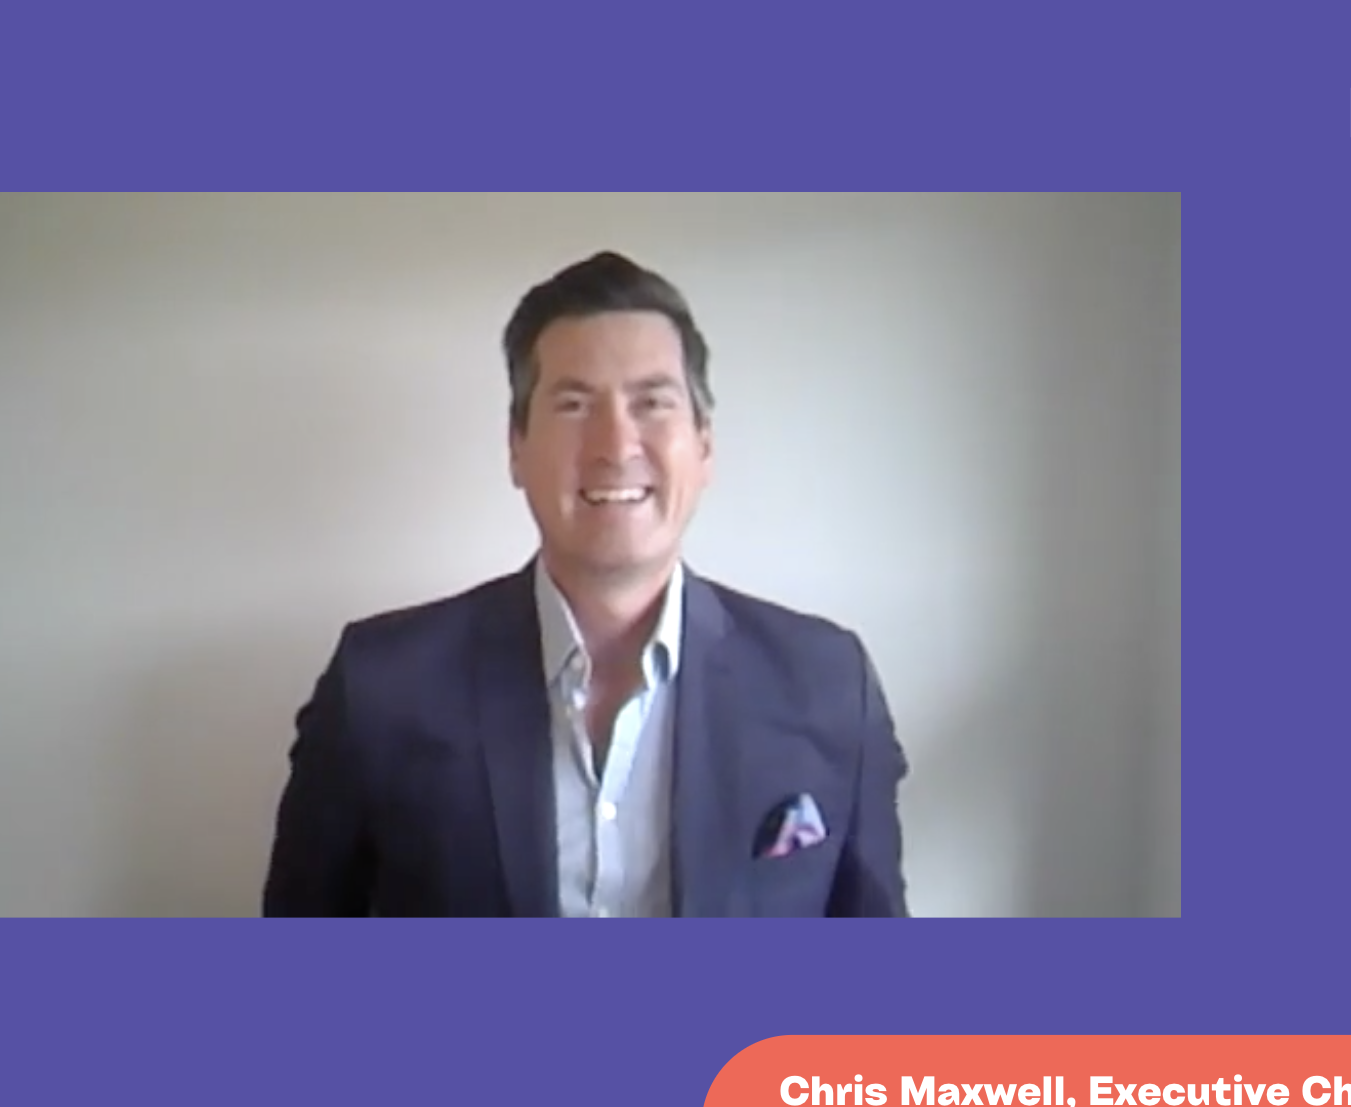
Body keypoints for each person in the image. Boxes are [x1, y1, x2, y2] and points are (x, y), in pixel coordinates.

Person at [261, 251, 909, 917]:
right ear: (516, 447)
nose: (615, 446)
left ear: (704, 445)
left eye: (651, 403)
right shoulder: (379, 688)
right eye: (573, 405)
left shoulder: (829, 685)